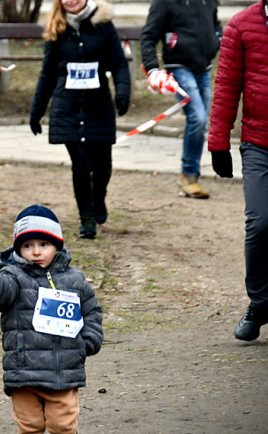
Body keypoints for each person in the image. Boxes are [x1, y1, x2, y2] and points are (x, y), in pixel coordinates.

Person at [0, 205, 103, 434]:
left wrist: (87, 341)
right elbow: (0, 291)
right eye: (28, 246)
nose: (36, 252)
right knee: (30, 427)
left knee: (63, 426)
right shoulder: (13, 277)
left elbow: (92, 312)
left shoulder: (75, 279)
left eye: (44, 245)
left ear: (57, 245)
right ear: (18, 249)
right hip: (23, 372)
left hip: (63, 372)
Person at [29, 0, 131, 239]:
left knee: (103, 164)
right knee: (82, 164)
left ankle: (98, 199)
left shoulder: (103, 25)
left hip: (99, 106)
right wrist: (37, 111)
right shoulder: (57, 27)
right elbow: (48, 73)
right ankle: (87, 219)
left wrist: (123, 92)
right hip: (68, 108)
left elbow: (118, 63)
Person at [207, 0, 268, 341]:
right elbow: (227, 85)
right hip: (260, 143)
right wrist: (218, 141)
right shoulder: (241, 25)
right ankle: (260, 303)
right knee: (260, 222)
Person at [140, 0, 222, 199]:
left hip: (203, 68)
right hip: (178, 67)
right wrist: (152, 71)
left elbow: (216, 25)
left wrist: (216, 40)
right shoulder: (164, 3)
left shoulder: (208, 2)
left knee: (201, 122)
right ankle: (189, 175)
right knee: (198, 117)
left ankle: (190, 175)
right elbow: (148, 36)